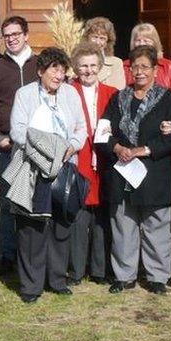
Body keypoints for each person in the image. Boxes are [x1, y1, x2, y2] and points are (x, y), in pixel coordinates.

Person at [98, 45, 171, 295]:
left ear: (156, 70)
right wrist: (117, 148)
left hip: (154, 173)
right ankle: (124, 275)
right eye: (135, 67)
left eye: (145, 67)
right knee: (124, 225)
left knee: (156, 226)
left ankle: (157, 276)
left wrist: (142, 150)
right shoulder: (118, 98)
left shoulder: (167, 99)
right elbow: (103, 133)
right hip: (122, 171)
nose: (139, 72)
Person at [3, 47, 86, 303]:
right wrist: (46, 152)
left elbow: (81, 127)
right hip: (33, 168)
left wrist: (70, 146)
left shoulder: (70, 94)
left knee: (61, 224)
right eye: (54, 69)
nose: (59, 75)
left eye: (62, 70)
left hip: (64, 166)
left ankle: (57, 279)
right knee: (32, 229)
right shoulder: (25, 94)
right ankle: (31, 285)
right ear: (41, 71)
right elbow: (17, 131)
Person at [0, 15, 39, 274]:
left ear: (26, 34)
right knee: (7, 203)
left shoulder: (41, 65)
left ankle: (33, 256)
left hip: (39, 146)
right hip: (8, 146)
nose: (12, 38)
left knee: (36, 202)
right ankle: (8, 255)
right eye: (6, 35)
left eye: (16, 33)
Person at [67, 42, 117, 285]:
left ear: (100, 66)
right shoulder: (69, 91)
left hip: (104, 159)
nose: (88, 70)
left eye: (93, 65)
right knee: (79, 215)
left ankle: (99, 269)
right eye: (83, 66)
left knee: (102, 218)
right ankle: (76, 270)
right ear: (76, 68)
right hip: (80, 156)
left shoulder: (111, 93)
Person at [122, 23, 171, 104]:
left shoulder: (168, 66)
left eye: (146, 40)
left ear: (155, 43)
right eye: (138, 40)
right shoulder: (125, 66)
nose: (142, 44)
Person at [82, 17, 126, 89]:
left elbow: (118, 91)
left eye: (102, 38)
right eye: (95, 37)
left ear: (107, 42)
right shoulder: (77, 61)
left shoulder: (116, 63)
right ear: (87, 38)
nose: (98, 42)